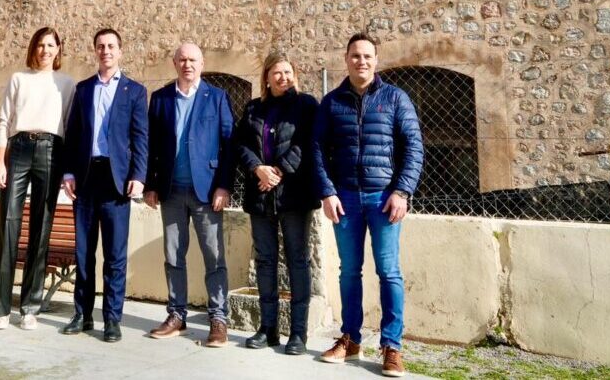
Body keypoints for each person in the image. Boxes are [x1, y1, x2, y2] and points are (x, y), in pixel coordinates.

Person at [312, 33, 424, 378]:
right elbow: (317, 150)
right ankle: (350, 338)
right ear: (346, 59)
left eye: (367, 56)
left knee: (389, 272)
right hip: (344, 198)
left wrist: (402, 192)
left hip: (384, 199)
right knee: (349, 272)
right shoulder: (331, 103)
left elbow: (414, 147)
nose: (361, 61)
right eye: (355, 56)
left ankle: (392, 346)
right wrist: (327, 193)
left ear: (376, 61)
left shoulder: (395, 98)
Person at [60, 28, 148, 343]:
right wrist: (68, 173)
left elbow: (140, 137)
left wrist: (138, 175)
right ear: (95, 51)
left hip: (117, 182)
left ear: (120, 51)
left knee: (115, 255)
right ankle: (82, 315)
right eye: (100, 46)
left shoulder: (135, 91)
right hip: (85, 179)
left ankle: (112, 319)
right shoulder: (83, 90)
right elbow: (72, 136)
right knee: (84, 252)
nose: (105, 51)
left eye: (111, 46)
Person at [144, 43, 235, 347]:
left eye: (193, 60)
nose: (187, 64)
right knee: (173, 256)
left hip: (207, 192)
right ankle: (176, 316)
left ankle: (218, 319)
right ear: (174, 63)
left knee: (214, 257)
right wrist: (150, 184)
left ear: (202, 63)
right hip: (170, 191)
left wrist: (224, 185)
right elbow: (151, 146)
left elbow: (228, 145)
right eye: (182, 59)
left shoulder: (217, 98)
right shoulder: (160, 99)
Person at [232, 51, 320, 355]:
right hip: (260, 195)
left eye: (287, 72)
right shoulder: (254, 108)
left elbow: (307, 144)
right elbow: (241, 144)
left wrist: (278, 171)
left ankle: (298, 333)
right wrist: (258, 168)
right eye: (276, 73)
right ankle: (267, 329)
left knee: (297, 261)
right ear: (267, 78)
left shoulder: (306, 106)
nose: (282, 78)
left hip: (294, 195)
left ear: (294, 74)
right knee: (266, 261)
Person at [0, 27, 76, 330]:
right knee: (8, 226)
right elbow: (3, 121)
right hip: (19, 148)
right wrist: (0, 161)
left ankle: (30, 308)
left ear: (58, 49)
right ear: (33, 48)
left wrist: (68, 169)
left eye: (51, 45)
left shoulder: (66, 84)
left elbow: (68, 125)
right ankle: (0, 309)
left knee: (41, 229)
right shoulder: (18, 79)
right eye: (40, 45)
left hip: (51, 151)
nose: (45, 50)